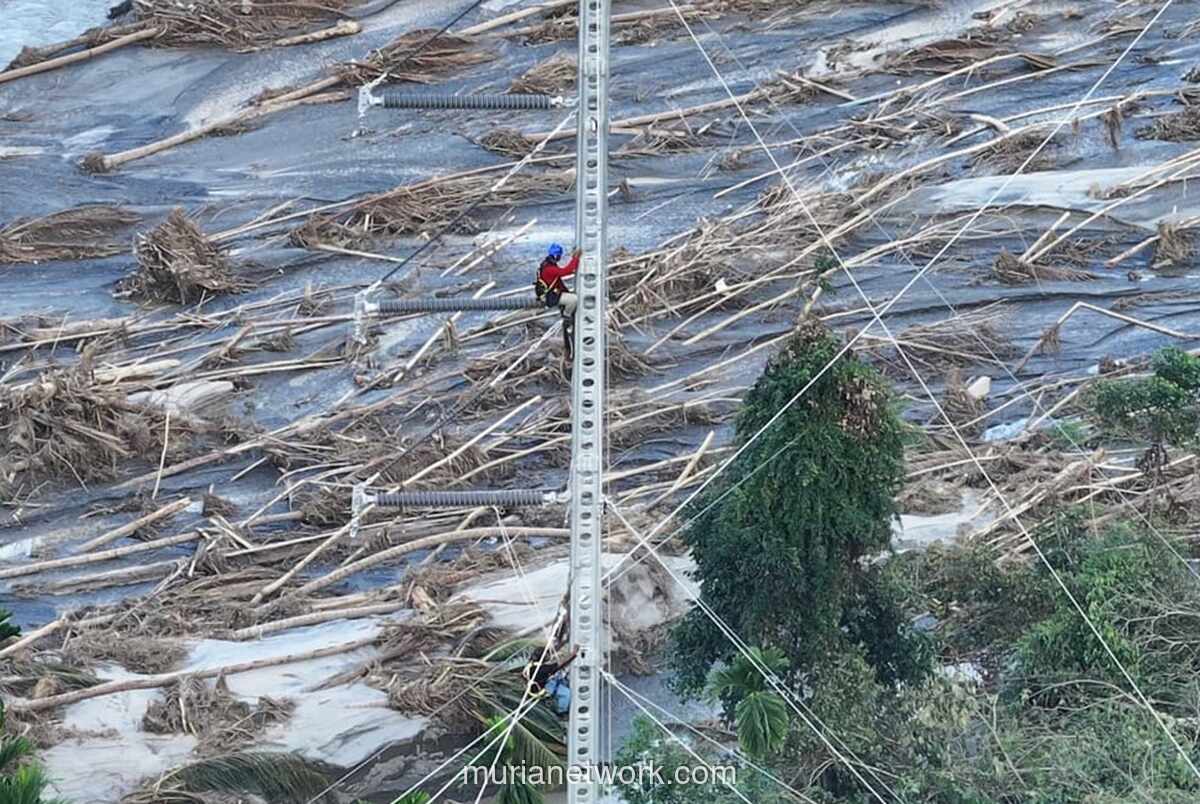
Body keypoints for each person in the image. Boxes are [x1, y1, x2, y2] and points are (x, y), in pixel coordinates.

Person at [534, 244, 582, 359]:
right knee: (574, 300)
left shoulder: (547, 264)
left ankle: (569, 350)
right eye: (559, 255)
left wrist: (566, 291)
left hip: (552, 294)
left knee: (570, 297)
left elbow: (557, 282)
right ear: (556, 255)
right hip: (550, 297)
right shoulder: (550, 268)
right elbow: (566, 271)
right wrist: (576, 258)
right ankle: (567, 315)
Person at [522, 646, 580, 717]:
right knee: (566, 693)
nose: (549, 656)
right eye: (547, 655)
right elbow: (560, 665)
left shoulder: (532, 664)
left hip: (540, 681)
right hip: (542, 688)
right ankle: (561, 712)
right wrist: (573, 654)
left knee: (560, 678)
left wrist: (562, 642)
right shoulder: (541, 670)